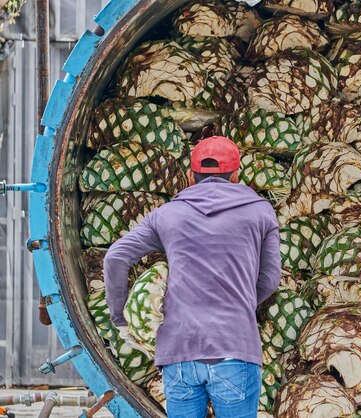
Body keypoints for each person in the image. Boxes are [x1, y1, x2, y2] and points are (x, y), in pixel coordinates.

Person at [103, 136, 282, 418]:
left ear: (190, 176)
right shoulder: (260, 212)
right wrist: (241, 303)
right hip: (234, 347)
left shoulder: (166, 215)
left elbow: (115, 257)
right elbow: (270, 278)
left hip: (179, 352)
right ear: (236, 175)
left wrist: (120, 318)